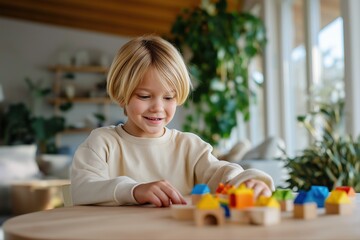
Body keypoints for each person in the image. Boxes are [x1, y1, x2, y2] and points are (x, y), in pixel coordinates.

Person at [70, 35, 274, 207]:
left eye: (168, 97)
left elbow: (220, 172)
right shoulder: (102, 142)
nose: (158, 107)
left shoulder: (189, 146)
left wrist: (248, 180)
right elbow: (82, 189)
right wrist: (133, 190)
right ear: (123, 95)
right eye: (144, 96)